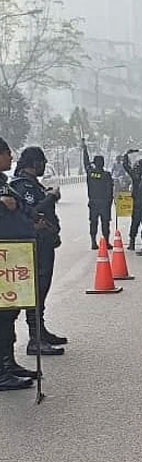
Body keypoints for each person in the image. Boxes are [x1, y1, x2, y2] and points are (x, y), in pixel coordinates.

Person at [10, 147, 66, 356]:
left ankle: (40, 331)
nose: (44, 165)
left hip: (44, 241)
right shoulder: (23, 186)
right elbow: (35, 211)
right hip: (34, 243)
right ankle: (35, 339)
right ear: (34, 163)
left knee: (43, 287)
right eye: (42, 162)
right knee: (37, 287)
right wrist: (51, 196)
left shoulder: (33, 184)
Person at [0, 137, 38, 391]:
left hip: (14, 257)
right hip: (4, 257)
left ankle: (8, 363)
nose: (11, 158)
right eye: (7, 153)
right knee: (2, 316)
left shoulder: (3, 182)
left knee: (10, 312)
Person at [82, 139, 114, 250]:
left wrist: (84, 149)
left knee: (93, 222)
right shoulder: (106, 175)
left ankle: (93, 242)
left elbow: (85, 162)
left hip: (93, 201)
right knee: (105, 223)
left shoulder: (90, 173)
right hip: (104, 203)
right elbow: (110, 190)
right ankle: (106, 242)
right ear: (103, 163)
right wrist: (110, 202)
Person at [122, 153, 142, 250]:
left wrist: (126, 155)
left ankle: (132, 243)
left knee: (135, 223)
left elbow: (126, 166)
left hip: (137, 202)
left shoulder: (135, 176)